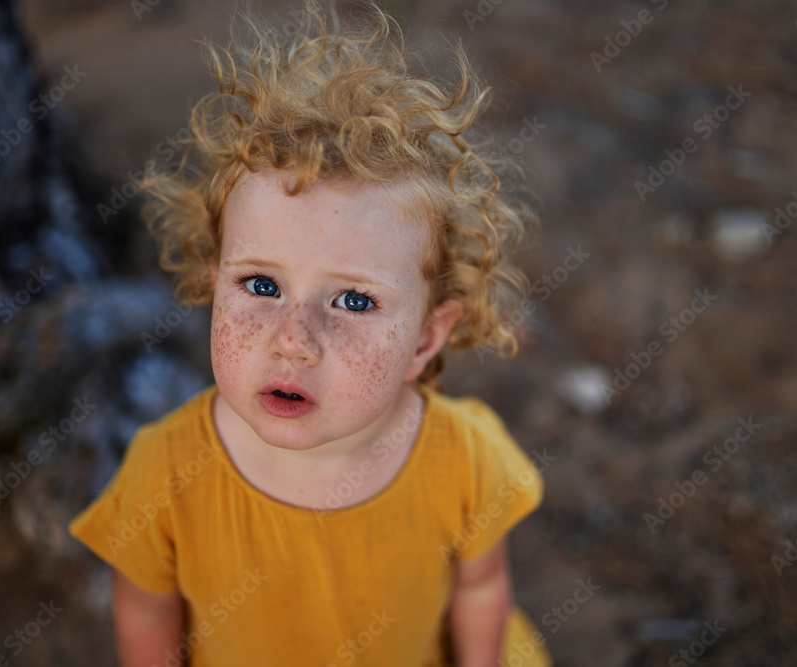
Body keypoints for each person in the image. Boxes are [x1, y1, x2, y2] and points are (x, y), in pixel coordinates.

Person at [69, 2, 551, 665]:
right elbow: (148, 610)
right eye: (261, 285)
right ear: (214, 283)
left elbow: (481, 587)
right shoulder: (167, 473)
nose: (292, 339)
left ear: (424, 339)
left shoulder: (465, 459)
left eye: (353, 300)